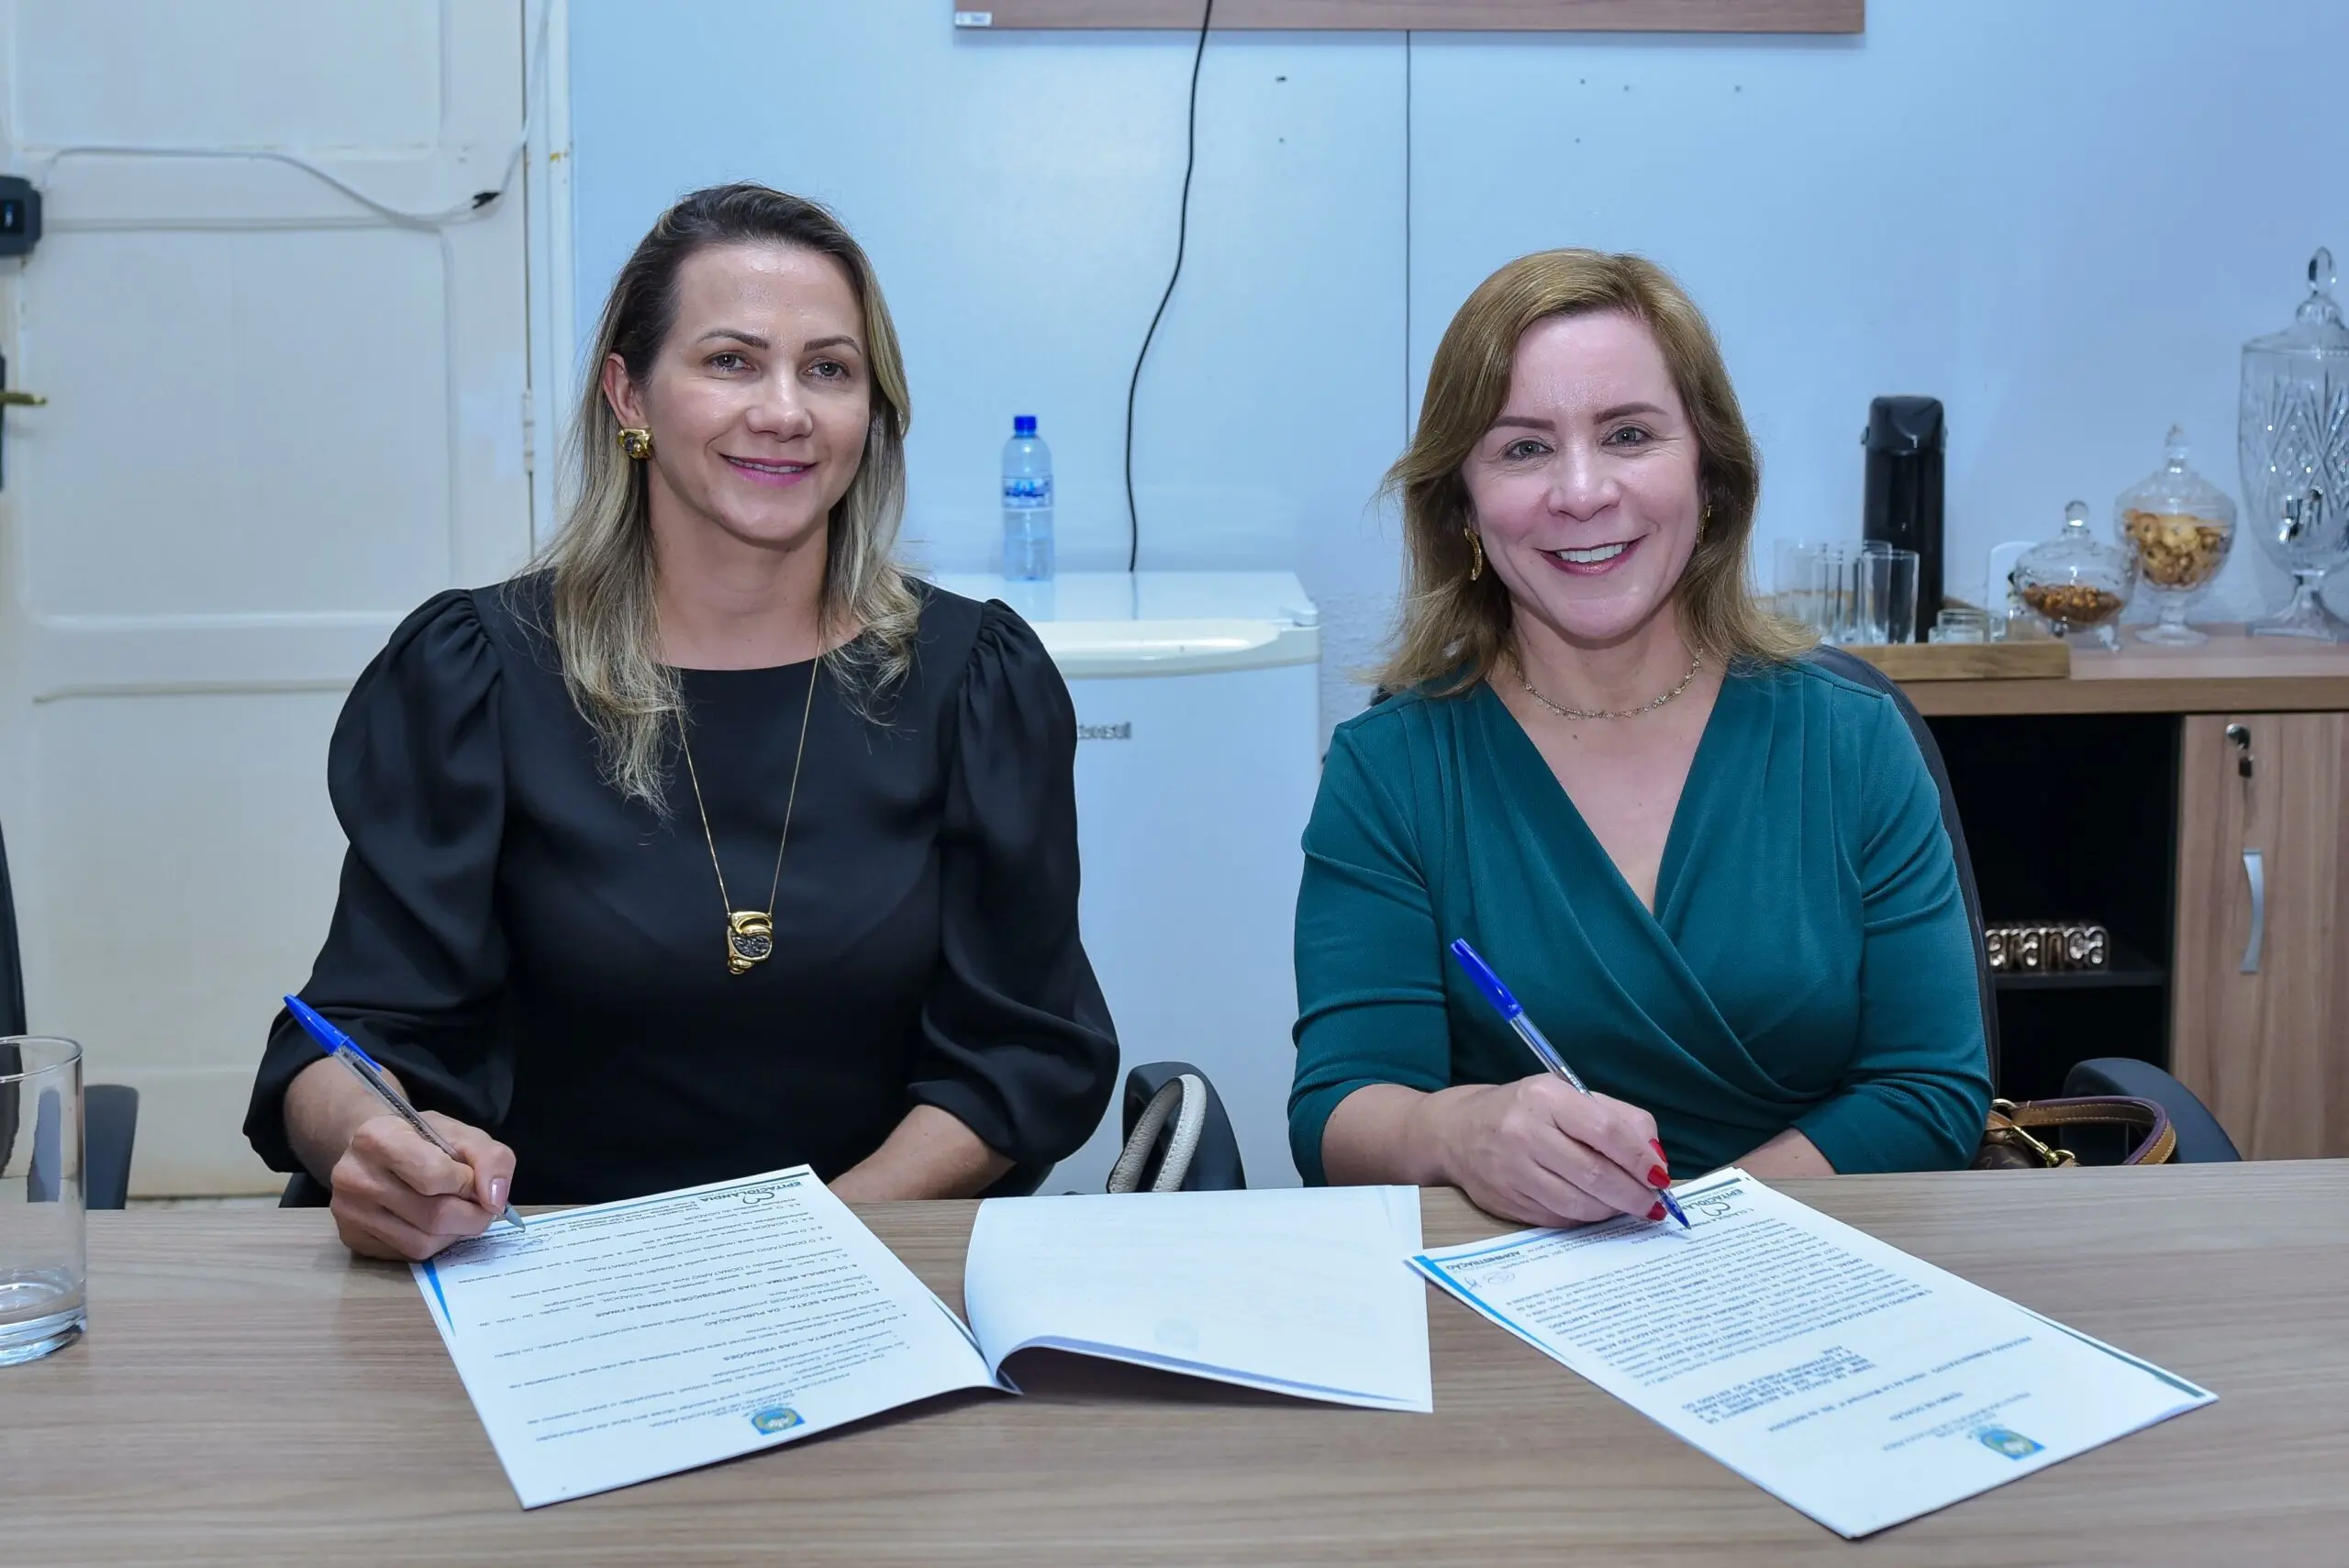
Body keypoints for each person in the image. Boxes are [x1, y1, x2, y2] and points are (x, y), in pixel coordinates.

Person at [245, 183, 1117, 1260]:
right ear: (630, 396)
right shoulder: (476, 675)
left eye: (829, 370)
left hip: (867, 1263)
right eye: (731, 361)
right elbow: (349, 1036)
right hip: (537, 1268)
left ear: (872, 413)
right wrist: (373, 1141)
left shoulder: (976, 681)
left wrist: (804, 1247)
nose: (785, 411)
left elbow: (1022, 1049)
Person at [1290, 249, 1990, 1227]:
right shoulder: (1391, 769)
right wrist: (1457, 1130)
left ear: (1710, 473)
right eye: (1523, 449)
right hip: (1520, 1281)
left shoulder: (1852, 740)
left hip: (1823, 1258)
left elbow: (1929, 1088)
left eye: (1627, 434)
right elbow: (1338, 1108)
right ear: (1462, 507)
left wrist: (1705, 1232)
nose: (1581, 492)